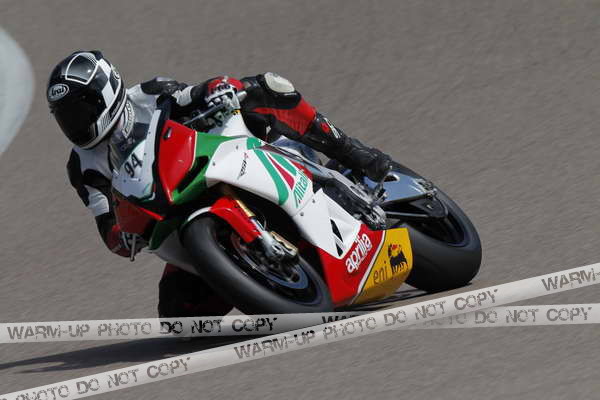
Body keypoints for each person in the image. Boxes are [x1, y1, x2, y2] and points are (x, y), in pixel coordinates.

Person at [47, 50, 392, 317]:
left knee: (267, 87)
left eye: (79, 110)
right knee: (177, 317)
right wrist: (121, 236)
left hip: (214, 162)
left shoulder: (151, 93)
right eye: (64, 116)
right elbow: (105, 223)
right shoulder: (82, 167)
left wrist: (220, 89)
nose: (74, 123)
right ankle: (258, 278)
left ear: (106, 92)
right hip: (173, 215)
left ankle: (352, 153)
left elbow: (194, 94)